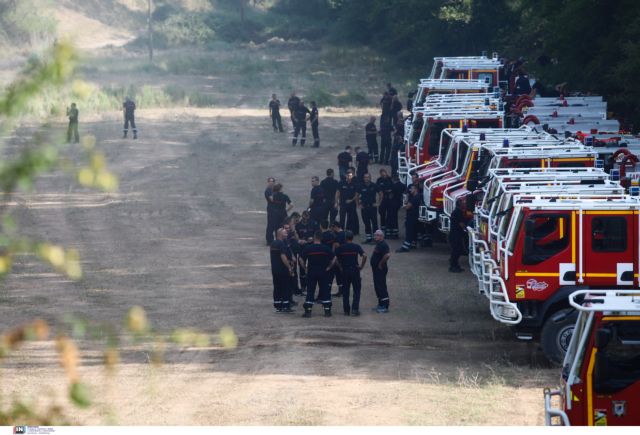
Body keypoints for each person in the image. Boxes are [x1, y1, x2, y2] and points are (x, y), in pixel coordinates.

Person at [300, 230, 336, 318]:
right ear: (321, 238)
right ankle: (327, 311)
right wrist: (329, 267)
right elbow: (334, 258)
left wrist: (305, 268)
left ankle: (308, 311)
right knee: (325, 291)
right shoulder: (325, 248)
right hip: (323, 272)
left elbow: (300, 258)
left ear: (314, 237)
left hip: (311, 272)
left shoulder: (309, 248)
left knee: (310, 291)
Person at [335, 231, 367, 316]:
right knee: (356, 290)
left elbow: (335, 258)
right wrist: (361, 266)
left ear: (345, 238)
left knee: (345, 291)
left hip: (345, 271)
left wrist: (340, 267)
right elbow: (364, 255)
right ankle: (355, 309)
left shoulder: (341, 248)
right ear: (352, 238)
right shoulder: (356, 247)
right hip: (355, 270)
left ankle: (346, 310)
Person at [270, 228, 294, 313]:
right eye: (285, 233)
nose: (286, 234)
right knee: (285, 287)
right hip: (282, 269)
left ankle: (278, 305)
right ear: (280, 234)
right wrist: (289, 267)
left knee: (277, 287)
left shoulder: (273, 243)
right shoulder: (281, 244)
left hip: (275, 270)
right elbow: (283, 256)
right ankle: (286, 306)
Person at [370, 229, 391, 313]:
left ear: (382, 236)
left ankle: (385, 306)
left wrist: (380, 264)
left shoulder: (383, 244)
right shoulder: (379, 244)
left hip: (380, 270)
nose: (375, 236)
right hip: (376, 270)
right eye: (375, 235)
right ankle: (380, 304)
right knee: (377, 286)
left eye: (377, 235)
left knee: (381, 286)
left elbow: (387, 255)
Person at [396, 184, 420, 252]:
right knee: (414, 232)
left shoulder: (415, 198)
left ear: (415, 189)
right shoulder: (416, 197)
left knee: (409, 232)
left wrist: (404, 205)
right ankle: (413, 244)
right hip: (415, 217)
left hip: (411, 217)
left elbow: (407, 207)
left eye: (411, 189)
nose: (410, 190)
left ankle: (405, 247)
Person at [357, 173, 379, 244]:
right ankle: (369, 238)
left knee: (374, 223)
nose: (366, 179)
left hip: (372, 207)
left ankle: (376, 239)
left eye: (368, 177)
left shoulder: (374, 185)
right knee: (366, 223)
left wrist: (378, 203)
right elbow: (357, 195)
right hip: (364, 207)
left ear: (370, 178)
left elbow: (381, 193)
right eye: (365, 177)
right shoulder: (361, 186)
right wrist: (358, 204)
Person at [337, 170, 359, 235]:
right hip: (343, 203)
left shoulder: (354, 184)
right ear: (346, 176)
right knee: (342, 218)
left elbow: (357, 194)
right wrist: (337, 201)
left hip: (351, 204)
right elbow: (338, 192)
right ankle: (341, 232)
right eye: (348, 175)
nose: (349, 176)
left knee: (351, 218)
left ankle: (350, 232)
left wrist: (351, 200)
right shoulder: (341, 183)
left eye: (350, 175)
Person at [449, 202, 466, 273]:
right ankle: (453, 266)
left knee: (457, 249)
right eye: (463, 203)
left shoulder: (455, 212)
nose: (464, 204)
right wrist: (466, 228)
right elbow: (461, 224)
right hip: (456, 234)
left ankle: (455, 265)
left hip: (454, 233)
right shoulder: (458, 212)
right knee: (457, 250)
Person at [375, 168, 393, 237]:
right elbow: (377, 188)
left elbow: (393, 188)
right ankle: (383, 229)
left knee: (389, 215)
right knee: (382, 214)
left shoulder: (390, 179)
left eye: (384, 173)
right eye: (382, 173)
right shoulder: (379, 180)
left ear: (386, 172)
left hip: (389, 200)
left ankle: (388, 230)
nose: (383, 174)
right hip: (382, 200)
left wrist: (390, 191)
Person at [388, 174, 405, 239]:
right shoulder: (402, 185)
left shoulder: (394, 186)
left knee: (392, 218)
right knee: (394, 217)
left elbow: (391, 195)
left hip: (393, 203)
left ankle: (394, 233)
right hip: (398, 203)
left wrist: (389, 193)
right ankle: (395, 233)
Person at [391, 112, 404, 176]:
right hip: (399, 142)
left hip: (398, 143)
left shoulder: (399, 123)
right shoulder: (403, 122)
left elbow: (395, 132)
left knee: (395, 159)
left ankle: (394, 173)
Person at [264, 177, 277, 245]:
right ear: (268, 182)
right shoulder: (268, 190)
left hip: (276, 210)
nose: (271, 183)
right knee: (270, 225)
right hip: (271, 210)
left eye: (272, 181)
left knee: (276, 225)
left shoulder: (274, 190)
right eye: (270, 181)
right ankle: (269, 240)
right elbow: (272, 199)